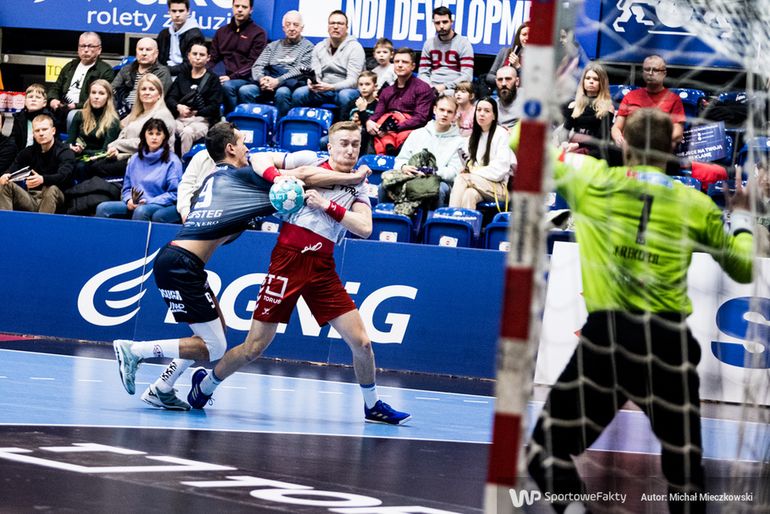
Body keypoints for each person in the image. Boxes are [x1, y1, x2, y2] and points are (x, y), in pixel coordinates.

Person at [519, 108, 753, 514]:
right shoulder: (694, 203)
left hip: (607, 340)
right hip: (667, 345)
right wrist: (745, 218)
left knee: (545, 451)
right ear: (672, 150)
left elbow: (520, 140)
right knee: (685, 473)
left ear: (624, 143)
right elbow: (744, 267)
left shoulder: (593, 179)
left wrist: (547, 99)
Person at [111, 121, 371, 409]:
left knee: (211, 334)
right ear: (230, 149)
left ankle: (162, 387)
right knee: (215, 346)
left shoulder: (215, 178)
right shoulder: (244, 179)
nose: (248, 148)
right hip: (182, 265)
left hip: (183, 263)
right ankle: (136, 350)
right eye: (242, 143)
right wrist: (354, 177)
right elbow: (303, 175)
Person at [184, 121, 411, 426]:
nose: (350, 150)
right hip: (288, 262)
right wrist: (279, 178)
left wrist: (327, 205)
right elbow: (257, 158)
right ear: (330, 147)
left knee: (363, 344)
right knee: (254, 347)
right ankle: (206, 385)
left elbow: (365, 228)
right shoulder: (310, 162)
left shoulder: (359, 185)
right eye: (343, 143)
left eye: (355, 145)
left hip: (323, 268)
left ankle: (372, 406)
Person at [94, 118, 182, 222]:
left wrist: (149, 201)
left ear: (164, 137)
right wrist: (128, 200)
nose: (154, 137)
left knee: (141, 211)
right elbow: (126, 188)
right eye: (150, 133)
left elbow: (174, 193)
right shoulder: (135, 158)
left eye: (158, 134)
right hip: (135, 203)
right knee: (103, 208)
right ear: (144, 135)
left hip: (159, 204)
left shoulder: (173, 161)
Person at [385, 95, 465, 208]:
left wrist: (432, 172)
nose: (445, 114)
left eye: (449, 112)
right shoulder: (417, 134)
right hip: (412, 177)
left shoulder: (459, 142)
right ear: (435, 110)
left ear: (454, 115)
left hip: (439, 181)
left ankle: (432, 219)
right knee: (384, 187)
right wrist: (404, 167)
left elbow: (453, 172)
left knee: (438, 190)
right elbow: (400, 160)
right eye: (442, 110)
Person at [93, 74, 176, 179]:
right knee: (91, 165)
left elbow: (149, 142)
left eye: (151, 89)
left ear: (159, 94)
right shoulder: (137, 113)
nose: (147, 92)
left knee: (96, 168)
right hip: (130, 156)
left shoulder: (162, 115)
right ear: (138, 93)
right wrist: (115, 149)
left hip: (150, 161)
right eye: (143, 89)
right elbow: (123, 134)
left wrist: (117, 144)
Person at [290, 10, 365, 121]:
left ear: (347, 28)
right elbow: (316, 73)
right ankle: (301, 127)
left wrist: (332, 87)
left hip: (346, 89)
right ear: (328, 26)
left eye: (340, 24)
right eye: (332, 23)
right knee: (299, 94)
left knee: (345, 96)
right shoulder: (319, 47)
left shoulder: (355, 48)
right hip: (323, 89)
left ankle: (342, 129)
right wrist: (312, 82)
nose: (335, 27)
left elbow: (353, 81)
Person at [239, 10, 314, 118]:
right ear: (283, 28)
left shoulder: (308, 47)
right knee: (245, 90)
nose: (291, 28)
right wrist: (261, 79)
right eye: (288, 25)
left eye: (296, 25)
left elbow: (300, 69)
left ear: (302, 28)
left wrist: (278, 81)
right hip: (268, 82)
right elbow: (258, 65)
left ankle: (281, 125)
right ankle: (254, 123)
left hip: (290, 84)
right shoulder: (272, 46)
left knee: (282, 92)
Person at [365, 48, 435, 155]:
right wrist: (370, 122)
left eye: (405, 62)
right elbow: (377, 114)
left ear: (413, 66)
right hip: (387, 130)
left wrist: (395, 127)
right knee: (367, 133)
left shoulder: (423, 88)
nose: (400, 65)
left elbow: (421, 118)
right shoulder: (386, 91)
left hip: (413, 131)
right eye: (397, 62)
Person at [0, 113, 74, 213]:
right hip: (32, 198)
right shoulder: (28, 152)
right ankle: (5, 221)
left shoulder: (64, 151)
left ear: (53, 131)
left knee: (51, 189)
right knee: (5, 184)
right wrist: (6, 175)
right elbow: (14, 167)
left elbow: (64, 175)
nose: (41, 133)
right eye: (37, 130)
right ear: (33, 134)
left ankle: (42, 223)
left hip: (57, 197)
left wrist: (43, 179)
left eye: (44, 129)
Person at [449, 97, 515, 209]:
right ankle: (464, 221)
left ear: (494, 116)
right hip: (481, 184)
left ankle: (449, 216)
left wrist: (473, 171)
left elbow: (499, 172)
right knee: (469, 194)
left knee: (462, 178)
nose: (481, 114)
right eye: (479, 110)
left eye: (487, 111)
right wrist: (467, 169)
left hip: (501, 188)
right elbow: (468, 164)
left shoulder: (501, 134)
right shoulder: (472, 138)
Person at [611, 55, 686, 147]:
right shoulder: (630, 96)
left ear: (664, 73)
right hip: (631, 147)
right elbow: (617, 127)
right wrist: (618, 137)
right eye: (647, 69)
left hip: (658, 148)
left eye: (655, 70)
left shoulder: (674, 99)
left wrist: (655, 143)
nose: (650, 73)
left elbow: (678, 133)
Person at [47, 32, 115, 133]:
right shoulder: (70, 66)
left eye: (90, 46)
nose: (86, 50)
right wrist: (53, 100)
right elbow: (55, 87)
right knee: (41, 115)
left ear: (99, 50)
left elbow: (103, 98)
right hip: (62, 107)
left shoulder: (105, 71)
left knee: (73, 116)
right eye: (82, 46)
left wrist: (76, 105)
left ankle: (70, 141)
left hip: (86, 110)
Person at [209, 0, 267, 114]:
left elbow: (254, 64)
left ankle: (233, 120)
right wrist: (206, 74)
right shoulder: (221, 32)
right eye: (237, 6)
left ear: (251, 10)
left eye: (244, 7)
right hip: (222, 75)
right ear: (232, 7)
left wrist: (231, 77)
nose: (239, 9)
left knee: (227, 86)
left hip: (245, 78)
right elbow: (213, 59)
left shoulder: (259, 33)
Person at [166, 40, 224, 155]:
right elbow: (170, 98)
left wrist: (197, 112)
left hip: (202, 121)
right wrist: (178, 107)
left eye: (202, 55)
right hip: (180, 118)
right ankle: (169, 160)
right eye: (194, 54)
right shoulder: (182, 76)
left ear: (208, 58)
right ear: (189, 56)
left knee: (187, 132)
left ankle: (185, 162)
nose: (197, 58)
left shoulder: (213, 79)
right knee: (167, 127)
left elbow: (214, 106)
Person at [556, 62, 615, 161]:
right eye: (588, 78)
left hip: (594, 150)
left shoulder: (608, 107)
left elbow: (602, 138)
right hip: (572, 146)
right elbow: (564, 131)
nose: (591, 81)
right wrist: (564, 143)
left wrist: (578, 145)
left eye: (595, 79)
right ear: (583, 81)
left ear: (601, 83)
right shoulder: (574, 105)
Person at [66, 79, 121, 180]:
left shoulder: (113, 121)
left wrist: (82, 152)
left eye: (101, 93)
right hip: (79, 156)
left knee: (81, 167)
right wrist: (73, 148)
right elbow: (69, 142)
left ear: (108, 97)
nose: (96, 96)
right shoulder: (79, 115)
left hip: (98, 160)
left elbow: (105, 152)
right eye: (93, 92)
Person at [418, 6, 474, 96]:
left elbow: (467, 76)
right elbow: (422, 73)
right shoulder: (428, 43)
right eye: (437, 23)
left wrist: (445, 86)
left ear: (451, 22)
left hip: (454, 89)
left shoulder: (464, 43)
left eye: (445, 22)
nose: (441, 26)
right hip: (431, 88)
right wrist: (431, 87)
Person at [112, 38, 172, 118]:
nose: (144, 53)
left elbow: (156, 100)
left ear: (156, 53)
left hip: (147, 114)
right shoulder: (126, 69)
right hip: (121, 111)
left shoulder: (162, 72)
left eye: (148, 50)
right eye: (140, 49)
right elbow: (111, 90)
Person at [156, 0, 204, 76]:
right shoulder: (164, 33)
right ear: (169, 12)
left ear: (188, 11)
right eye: (174, 11)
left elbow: (190, 65)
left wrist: (164, 70)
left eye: (181, 11)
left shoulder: (195, 36)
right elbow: (158, 58)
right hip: (164, 73)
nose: (177, 15)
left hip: (185, 76)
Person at [486, 21, 529, 88]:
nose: (527, 38)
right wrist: (502, 80)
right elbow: (489, 77)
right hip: (501, 92)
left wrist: (518, 66)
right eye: (524, 34)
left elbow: (531, 83)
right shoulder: (505, 52)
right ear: (519, 36)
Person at [11, 83, 52, 152]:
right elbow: (14, 138)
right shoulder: (19, 117)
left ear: (44, 103)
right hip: (21, 153)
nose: (33, 100)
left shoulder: (48, 118)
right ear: (25, 101)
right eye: (30, 97)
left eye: (38, 97)